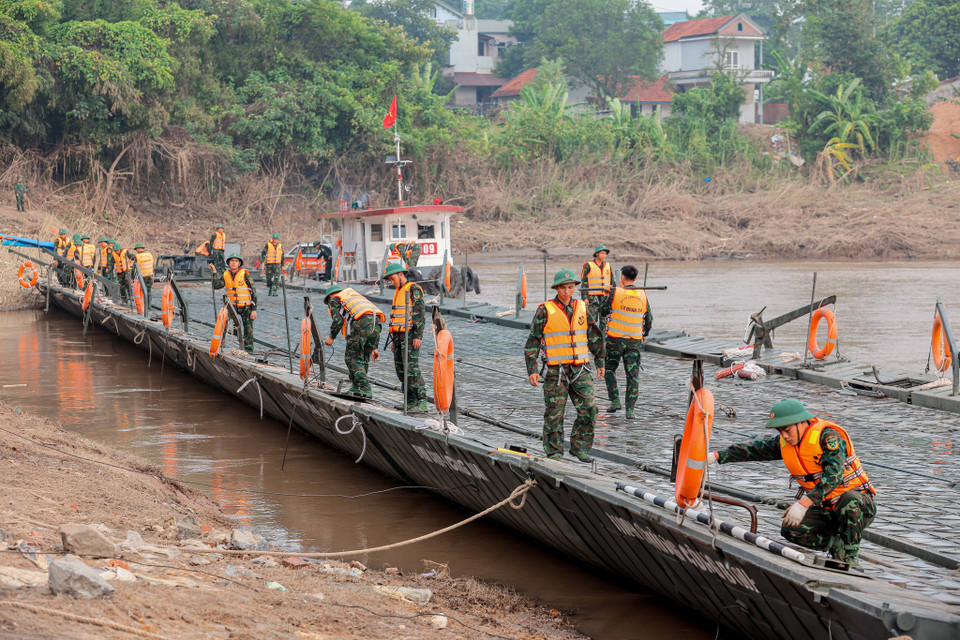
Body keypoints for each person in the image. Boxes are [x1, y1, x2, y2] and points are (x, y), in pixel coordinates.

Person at [707, 399, 877, 566]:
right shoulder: (785, 442)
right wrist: (718, 456)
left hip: (859, 507)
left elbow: (835, 475)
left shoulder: (828, 437)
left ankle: (851, 556)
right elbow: (754, 449)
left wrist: (804, 504)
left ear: (800, 423)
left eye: (787, 430)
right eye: (780, 431)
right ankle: (836, 545)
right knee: (791, 529)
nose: (784, 436)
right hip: (826, 509)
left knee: (849, 501)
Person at [524, 269, 605, 462]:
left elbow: (594, 335)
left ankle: (579, 447)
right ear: (556, 288)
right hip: (555, 371)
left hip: (580, 369)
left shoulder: (582, 308)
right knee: (554, 414)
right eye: (563, 288)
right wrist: (532, 370)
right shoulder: (545, 309)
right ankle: (555, 453)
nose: (567, 291)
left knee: (590, 407)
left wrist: (600, 359)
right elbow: (533, 341)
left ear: (575, 287)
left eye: (570, 287)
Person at [599, 265, 652, 418]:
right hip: (634, 340)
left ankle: (615, 400)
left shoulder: (615, 292)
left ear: (622, 277)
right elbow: (649, 319)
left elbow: (603, 311)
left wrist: (607, 295)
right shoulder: (642, 294)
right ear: (636, 278)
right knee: (633, 375)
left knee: (609, 369)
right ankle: (630, 410)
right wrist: (645, 334)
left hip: (615, 339)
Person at [323, 285, 384, 398]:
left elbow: (338, 320)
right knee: (364, 358)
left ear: (331, 295)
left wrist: (331, 337)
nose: (329, 304)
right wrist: (374, 347)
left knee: (352, 358)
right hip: (376, 325)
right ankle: (357, 387)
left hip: (362, 325)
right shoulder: (353, 296)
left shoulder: (335, 299)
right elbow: (370, 318)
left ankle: (365, 387)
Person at [383, 263, 427, 412]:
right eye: (389, 280)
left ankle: (421, 401)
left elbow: (419, 314)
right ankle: (410, 400)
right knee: (400, 369)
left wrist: (418, 336)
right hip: (398, 336)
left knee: (411, 368)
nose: (391, 282)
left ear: (401, 274)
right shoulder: (398, 290)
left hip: (409, 335)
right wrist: (393, 340)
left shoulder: (413, 289)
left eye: (392, 278)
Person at [209, 253, 257, 353]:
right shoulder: (226, 274)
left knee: (248, 329)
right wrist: (214, 272)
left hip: (246, 307)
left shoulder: (245, 274)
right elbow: (217, 286)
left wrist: (254, 310)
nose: (234, 263)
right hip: (232, 306)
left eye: (236, 261)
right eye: (232, 261)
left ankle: (249, 350)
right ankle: (220, 344)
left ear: (239, 263)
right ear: (229, 263)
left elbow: (254, 292)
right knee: (223, 321)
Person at [580, 245, 613, 330]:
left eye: (605, 254)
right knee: (592, 319)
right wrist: (585, 298)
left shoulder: (608, 266)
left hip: (604, 296)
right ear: (596, 254)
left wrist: (612, 296)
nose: (603, 255)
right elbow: (584, 282)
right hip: (592, 297)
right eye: (602, 253)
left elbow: (612, 282)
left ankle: (603, 339)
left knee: (604, 320)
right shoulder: (588, 265)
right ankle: (592, 339)